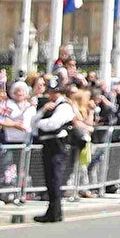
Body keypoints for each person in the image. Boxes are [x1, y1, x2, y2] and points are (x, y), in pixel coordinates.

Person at [32, 82, 78, 222]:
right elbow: (32, 122)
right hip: (48, 144)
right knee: (50, 179)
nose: (51, 95)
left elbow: (53, 124)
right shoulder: (48, 106)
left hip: (57, 145)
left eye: (54, 92)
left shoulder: (64, 106)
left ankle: (55, 212)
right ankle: (52, 211)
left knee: (55, 179)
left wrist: (40, 122)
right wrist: (42, 112)